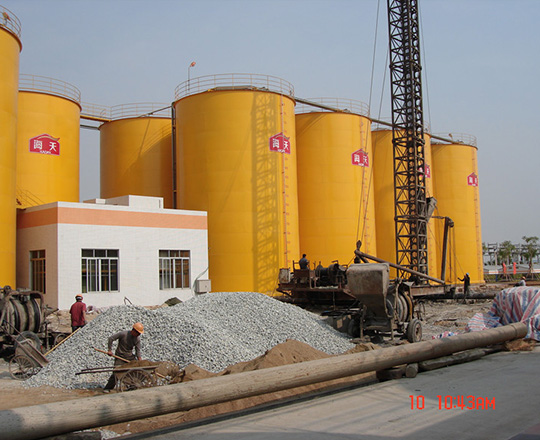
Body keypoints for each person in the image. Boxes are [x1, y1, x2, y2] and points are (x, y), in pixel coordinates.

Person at [103, 322, 144, 390]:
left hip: (130, 357)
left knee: (134, 372)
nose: (139, 335)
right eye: (138, 333)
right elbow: (111, 338)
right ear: (133, 330)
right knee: (116, 373)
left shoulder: (137, 339)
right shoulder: (123, 334)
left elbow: (138, 351)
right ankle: (108, 388)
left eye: (139, 333)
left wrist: (140, 360)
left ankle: (132, 386)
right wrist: (109, 350)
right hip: (120, 356)